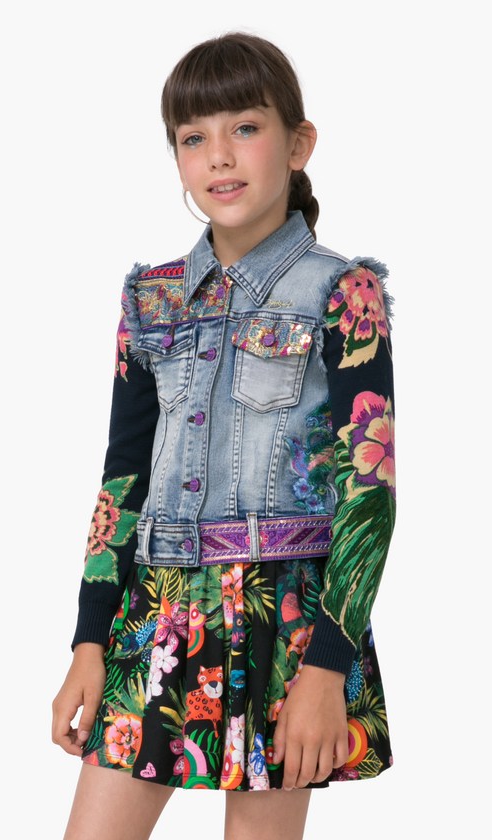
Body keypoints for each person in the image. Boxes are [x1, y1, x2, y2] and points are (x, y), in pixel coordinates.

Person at [52, 31, 397, 840]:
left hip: (287, 621)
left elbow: (369, 495)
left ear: (298, 144)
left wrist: (327, 668)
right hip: (156, 614)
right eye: (192, 137)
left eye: (245, 127)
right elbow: (122, 478)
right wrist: (89, 640)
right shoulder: (152, 301)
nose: (219, 156)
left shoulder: (343, 293)